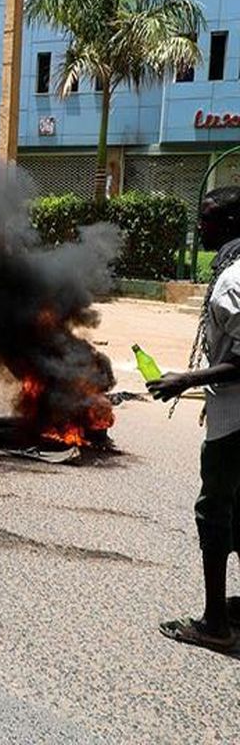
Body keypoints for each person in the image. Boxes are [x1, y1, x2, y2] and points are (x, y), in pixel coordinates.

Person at [149, 185, 240, 653]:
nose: (199, 227)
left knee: (215, 513)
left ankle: (215, 624)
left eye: (206, 219)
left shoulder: (231, 281)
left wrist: (184, 379)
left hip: (233, 420)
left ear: (227, 225)